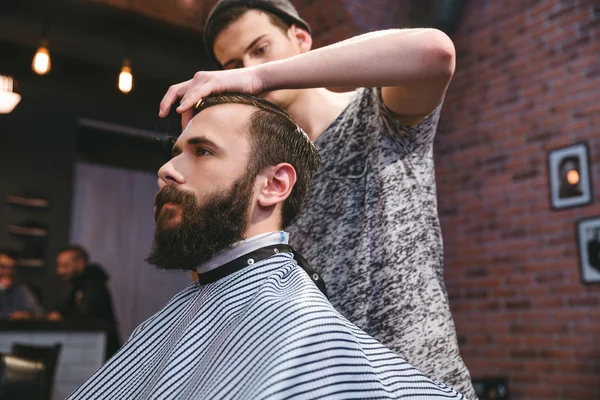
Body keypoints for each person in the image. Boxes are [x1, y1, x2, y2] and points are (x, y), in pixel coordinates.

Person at [158, 0, 476, 397]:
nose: (247, 69)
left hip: (420, 378)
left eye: (260, 49)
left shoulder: (377, 112)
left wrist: (257, 77)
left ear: (300, 38)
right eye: (234, 66)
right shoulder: (262, 174)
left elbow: (435, 51)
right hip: (325, 384)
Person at [68, 93, 465, 400]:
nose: (166, 170)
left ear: (274, 185)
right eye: (176, 153)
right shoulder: (187, 307)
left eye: (202, 151)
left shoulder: (299, 325)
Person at [49, 245, 120, 359]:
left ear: (81, 263)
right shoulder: (76, 285)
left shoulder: (93, 284)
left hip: (100, 353)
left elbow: (86, 314)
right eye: (59, 265)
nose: (60, 271)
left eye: (65, 266)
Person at [0, 249, 44, 319]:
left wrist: (28, 315)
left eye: (12, 268)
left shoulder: (21, 289)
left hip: (15, 329)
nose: (8, 272)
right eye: (2, 267)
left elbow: (40, 314)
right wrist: (1, 288)